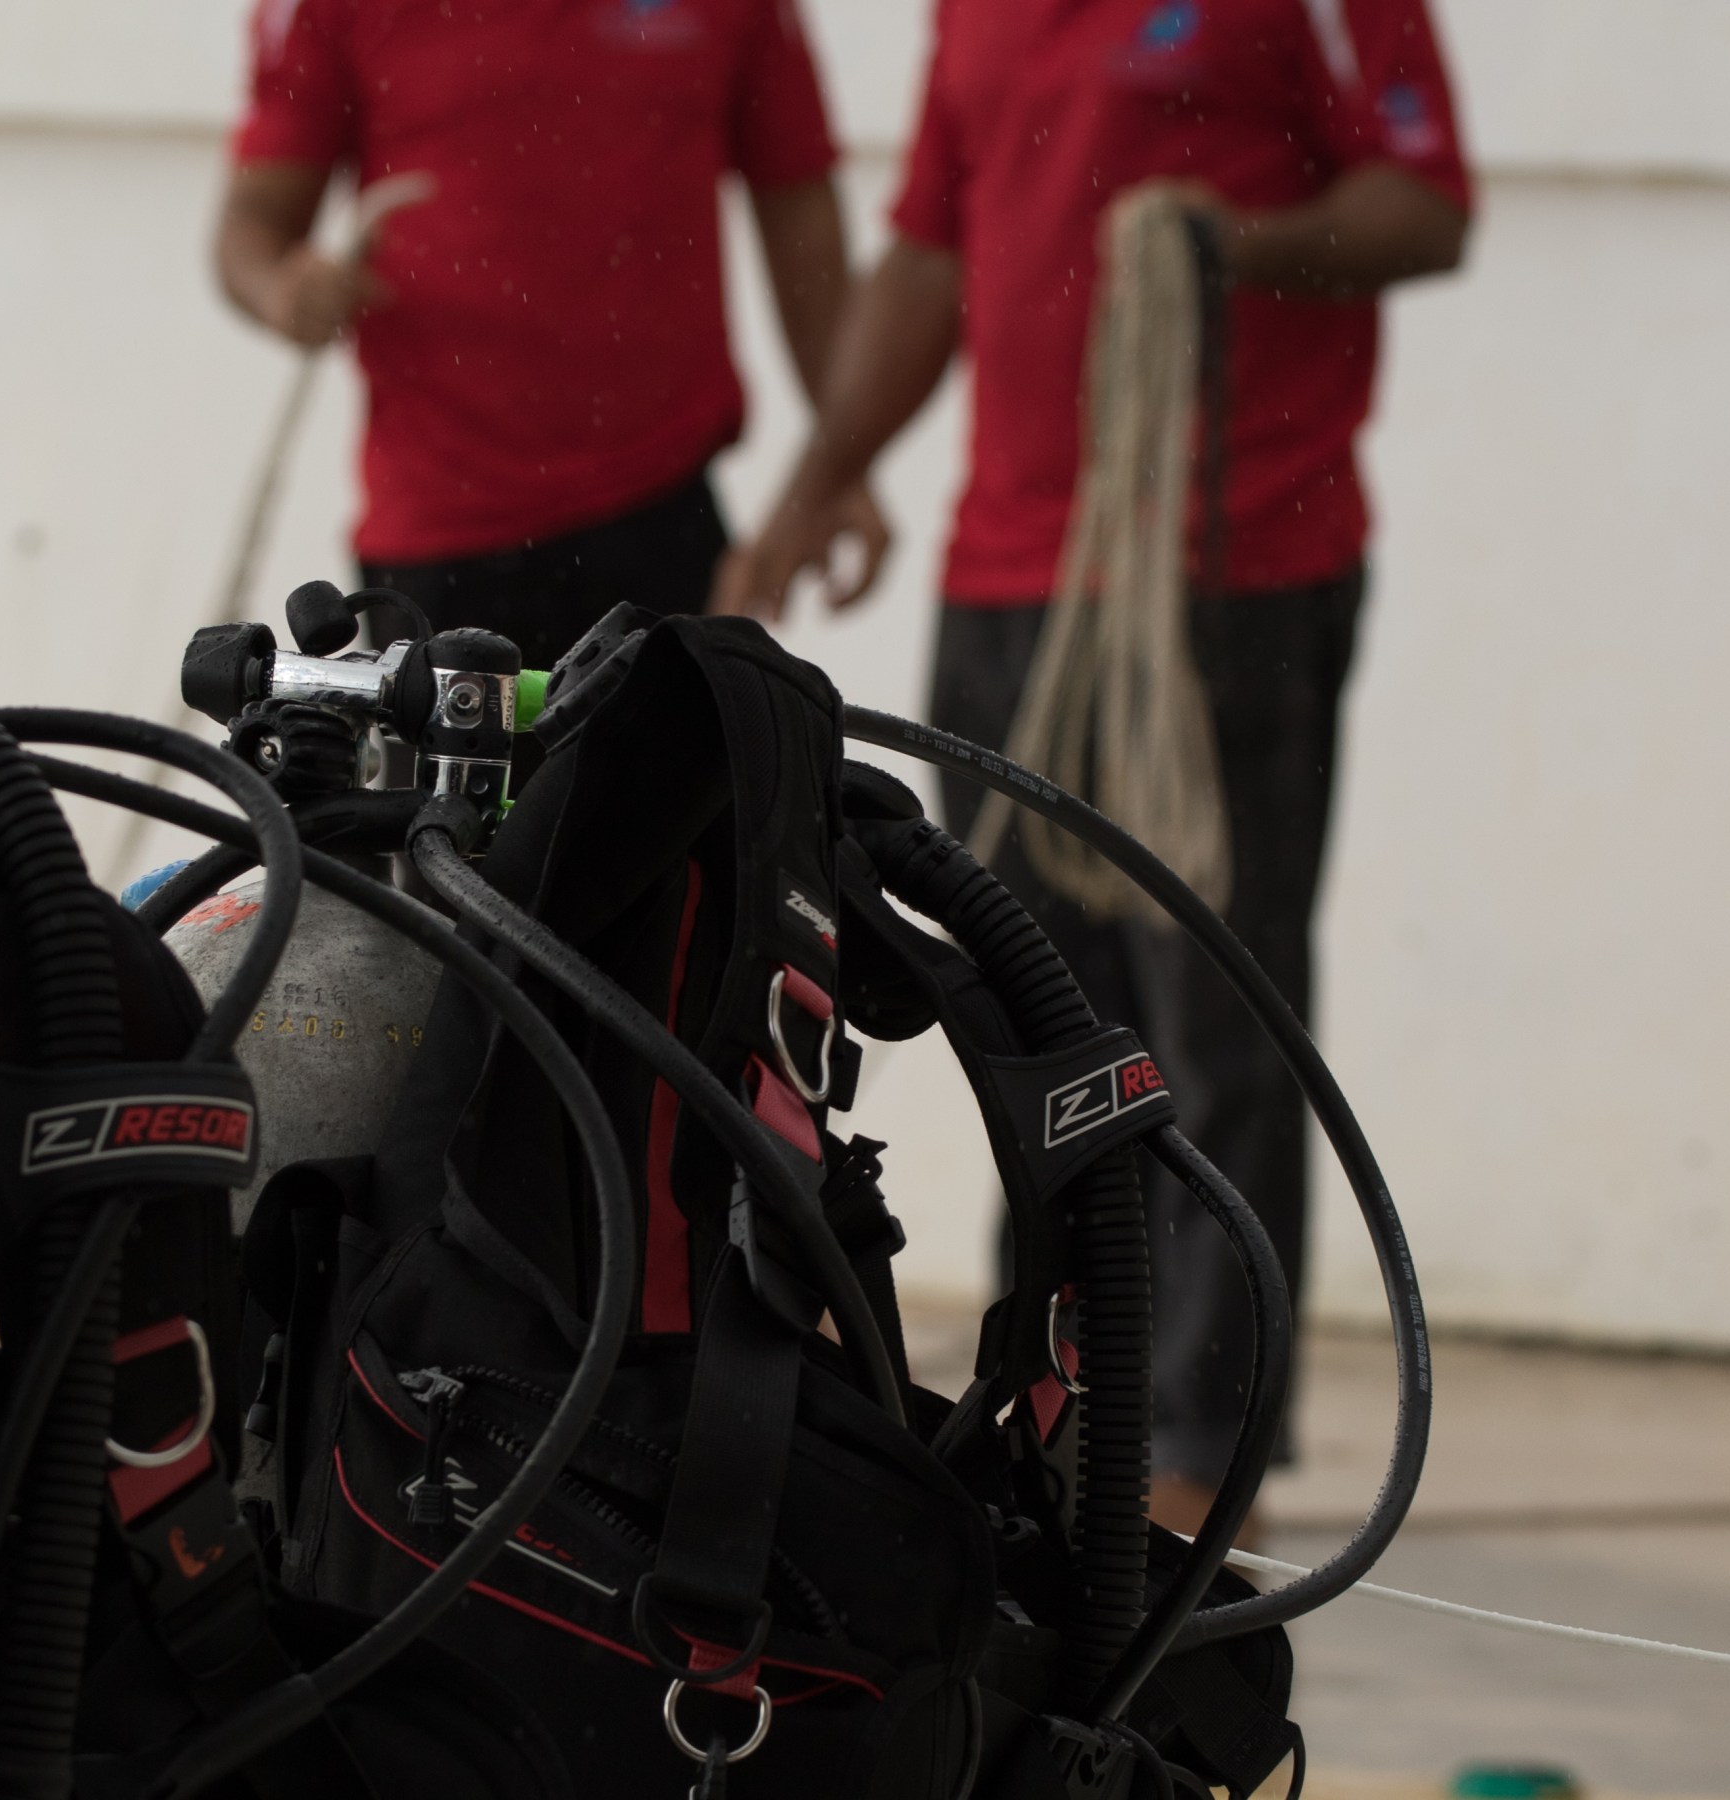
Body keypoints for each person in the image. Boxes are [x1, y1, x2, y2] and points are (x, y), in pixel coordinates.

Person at [717, 0, 1472, 1538]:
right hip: (1012, 574)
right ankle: (1059, 1398)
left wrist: (1232, 242)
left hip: (1228, 570)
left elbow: (1423, 203)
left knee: (1216, 1016)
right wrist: (820, 477)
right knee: (1026, 1010)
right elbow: (934, 247)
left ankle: (1202, 1447)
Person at [215, 0, 886, 671]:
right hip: (441, 532)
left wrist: (844, 458)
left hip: (663, 508)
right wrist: (284, 292)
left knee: (679, 774)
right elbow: (250, 232)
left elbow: (797, 200)